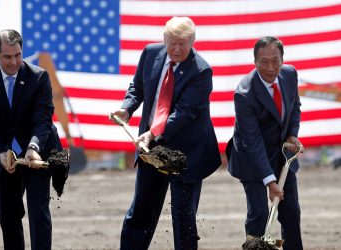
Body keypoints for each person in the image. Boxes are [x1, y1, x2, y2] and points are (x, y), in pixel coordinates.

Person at [110, 17, 221, 250]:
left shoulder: (201, 71)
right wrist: (127, 107)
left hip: (186, 152)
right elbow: (137, 87)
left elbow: (184, 113)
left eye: (183, 43)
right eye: (172, 43)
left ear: (193, 41)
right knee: (141, 210)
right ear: (164, 39)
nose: (177, 49)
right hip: (150, 148)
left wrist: (151, 133)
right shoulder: (151, 54)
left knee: (184, 217)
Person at [227, 36, 304, 250]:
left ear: (282, 59)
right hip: (251, 159)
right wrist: (270, 182)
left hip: (282, 156)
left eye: (275, 61)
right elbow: (251, 141)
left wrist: (292, 134)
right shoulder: (244, 94)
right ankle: (258, 246)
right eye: (264, 61)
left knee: (291, 213)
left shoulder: (289, 75)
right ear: (255, 62)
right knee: (259, 214)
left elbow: (295, 106)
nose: (270, 67)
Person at [0, 29, 62, 250]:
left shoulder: (39, 77)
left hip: (36, 152)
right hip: (6, 155)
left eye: (18, 55)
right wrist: (0, 152)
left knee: (38, 213)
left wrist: (33, 146)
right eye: (7, 56)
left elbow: (43, 118)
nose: (14, 62)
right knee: (9, 216)